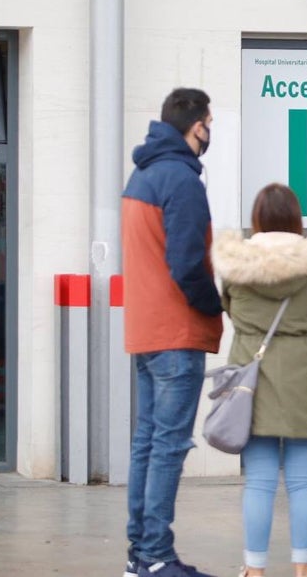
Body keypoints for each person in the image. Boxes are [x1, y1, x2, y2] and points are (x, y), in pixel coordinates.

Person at [212, 183, 307, 577]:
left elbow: (231, 312)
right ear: (295, 219)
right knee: (303, 481)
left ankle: (255, 570)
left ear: (256, 219)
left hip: (251, 380)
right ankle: (302, 569)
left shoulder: (237, 266)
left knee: (259, 481)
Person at [122, 88, 223, 577]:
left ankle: (141, 554)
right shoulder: (181, 180)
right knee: (167, 446)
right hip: (177, 332)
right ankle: (156, 556)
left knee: (147, 442)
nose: (211, 132)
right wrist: (214, 304)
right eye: (210, 122)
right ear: (197, 124)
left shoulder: (141, 173)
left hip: (145, 330)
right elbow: (186, 264)